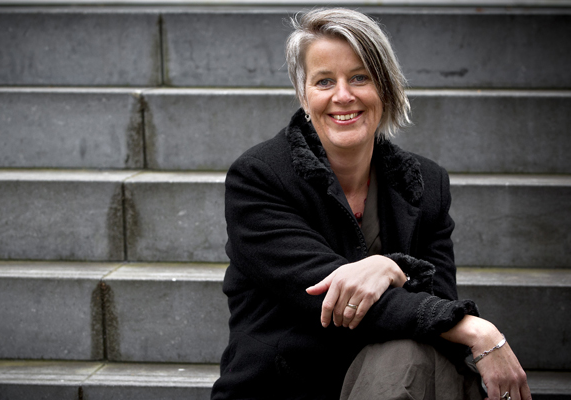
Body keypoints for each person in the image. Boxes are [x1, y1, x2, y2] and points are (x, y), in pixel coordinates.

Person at [211, 8, 531, 400]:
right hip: (286, 385)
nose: (343, 95)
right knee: (405, 353)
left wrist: (389, 269)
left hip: (401, 377)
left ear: (386, 87)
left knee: (406, 353)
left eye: (360, 77)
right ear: (304, 94)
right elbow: (332, 298)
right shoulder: (259, 177)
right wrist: (477, 329)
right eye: (324, 81)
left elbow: (440, 299)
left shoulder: (427, 184)